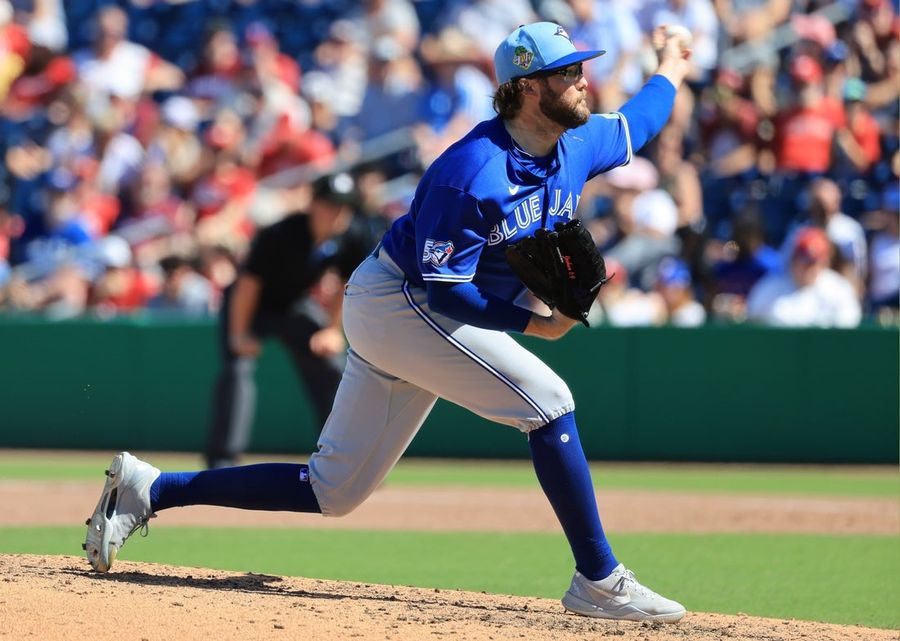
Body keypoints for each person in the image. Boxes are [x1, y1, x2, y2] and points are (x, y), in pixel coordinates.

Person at [84, 22, 692, 623]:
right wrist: (538, 328)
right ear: (528, 87)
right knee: (550, 401)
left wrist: (671, 65)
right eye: (568, 72)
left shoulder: (576, 144)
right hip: (401, 303)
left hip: (419, 313)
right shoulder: (471, 172)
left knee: (334, 491)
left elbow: (641, 120)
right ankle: (599, 578)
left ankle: (150, 489)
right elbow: (446, 295)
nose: (584, 81)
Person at [204, 171, 376, 469]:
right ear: (313, 204)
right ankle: (222, 460)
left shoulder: (353, 235)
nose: (337, 212)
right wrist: (239, 334)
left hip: (293, 305)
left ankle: (346, 460)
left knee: (332, 368)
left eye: (344, 206)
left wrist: (331, 330)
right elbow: (247, 286)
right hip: (249, 307)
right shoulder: (280, 234)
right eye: (330, 204)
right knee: (237, 372)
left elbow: (348, 285)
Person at [746, 226, 861, 328]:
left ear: (825, 262)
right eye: (803, 260)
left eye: (814, 262)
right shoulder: (769, 288)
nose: (808, 267)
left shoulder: (839, 290)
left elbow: (848, 331)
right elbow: (752, 324)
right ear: (793, 259)